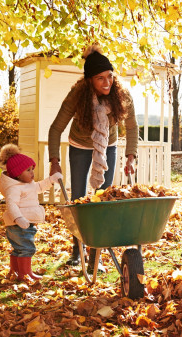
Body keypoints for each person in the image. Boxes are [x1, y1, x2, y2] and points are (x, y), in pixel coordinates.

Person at [48, 44, 139, 273]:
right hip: (80, 146)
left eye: (110, 76)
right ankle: (76, 251)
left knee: (102, 199)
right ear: (89, 80)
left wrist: (131, 156)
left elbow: (131, 126)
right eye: (100, 79)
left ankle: (94, 254)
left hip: (107, 146)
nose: (107, 82)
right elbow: (55, 129)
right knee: (78, 199)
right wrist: (54, 161)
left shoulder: (121, 95)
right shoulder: (77, 96)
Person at [0, 144, 63, 282]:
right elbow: (11, 205)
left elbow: (39, 187)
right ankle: (25, 274)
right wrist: (18, 218)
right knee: (27, 248)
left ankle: (16, 271)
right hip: (19, 224)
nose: (32, 173)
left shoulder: (27, 184)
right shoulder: (14, 188)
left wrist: (51, 180)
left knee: (19, 249)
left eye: (32, 169)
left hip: (23, 223)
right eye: (28, 170)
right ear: (17, 174)